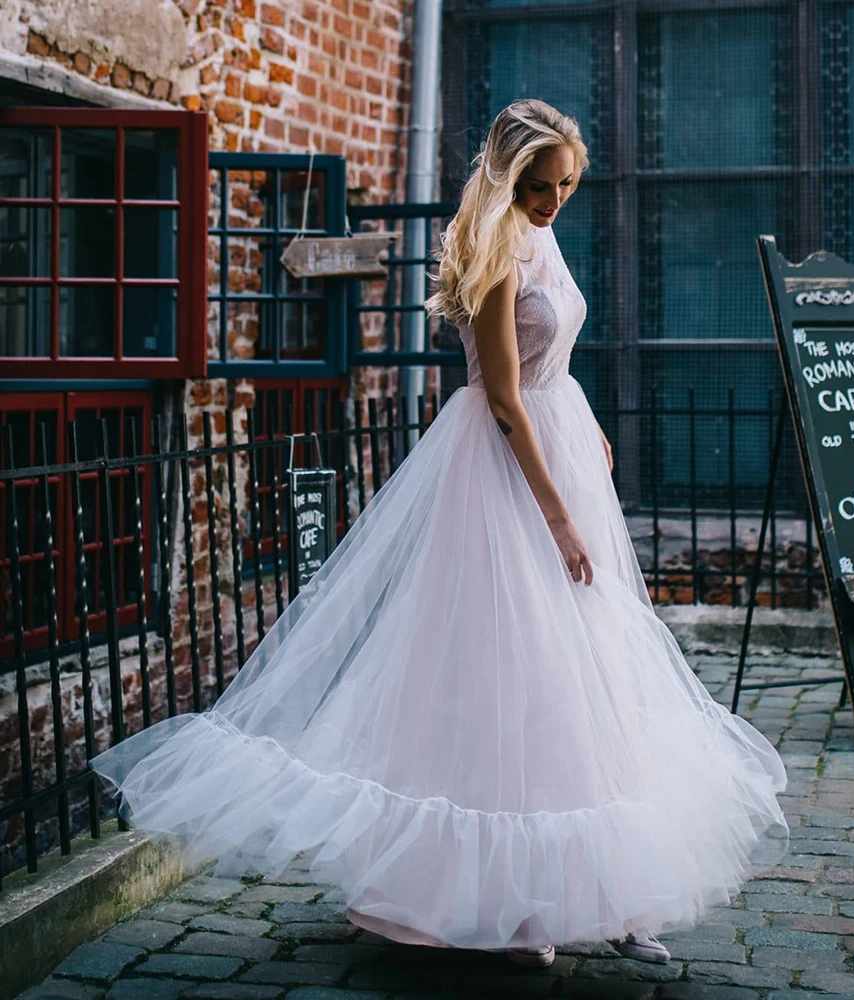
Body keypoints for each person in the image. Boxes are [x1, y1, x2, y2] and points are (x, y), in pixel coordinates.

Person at [89, 98, 787, 972]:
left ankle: (607, 891)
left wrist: (587, 420)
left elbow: (548, 358)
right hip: (505, 475)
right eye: (539, 186)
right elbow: (501, 398)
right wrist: (559, 519)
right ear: (507, 177)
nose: (555, 201)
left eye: (567, 184)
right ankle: (501, 900)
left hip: (559, 442)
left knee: (593, 667)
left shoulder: (544, 233)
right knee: (505, 669)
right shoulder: (494, 245)